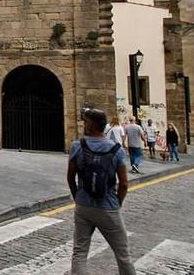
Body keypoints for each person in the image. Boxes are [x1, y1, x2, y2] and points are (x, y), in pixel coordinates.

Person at [68, 108, 136, 275]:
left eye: (85, 123)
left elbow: (70, 177)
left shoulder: (78, 146)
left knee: (79, 252)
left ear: (90, 126)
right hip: (108, 206)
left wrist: (77, 196)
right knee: (123, 254)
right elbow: (124, 183)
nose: (83, 125)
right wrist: (117, 203)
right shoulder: (116, 149)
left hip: (83, 205)